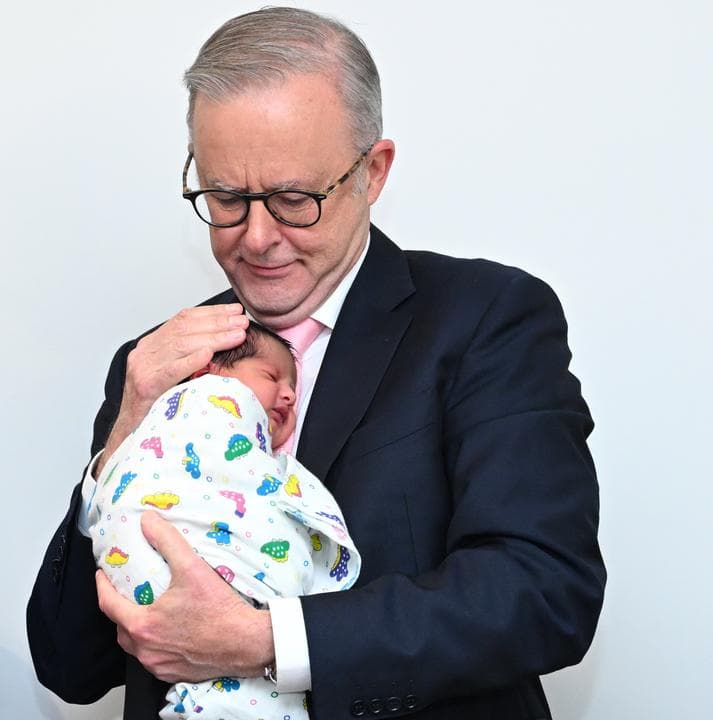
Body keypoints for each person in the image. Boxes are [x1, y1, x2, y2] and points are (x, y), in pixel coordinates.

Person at [28, 7, 605, 720]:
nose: (258, 238)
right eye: (227, 198)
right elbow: (69, 666)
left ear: (373, 172)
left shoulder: (487, 317)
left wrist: (263, 639)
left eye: (294, 199)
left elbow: (543, 592)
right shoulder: (157, 361)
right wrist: (122, 437)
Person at [89, 321, 360, 719]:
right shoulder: (167, 378)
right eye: (272, 376)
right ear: (208, 373)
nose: (288, 393)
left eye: (295, 389)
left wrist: (266, 639)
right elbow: (67, 663)